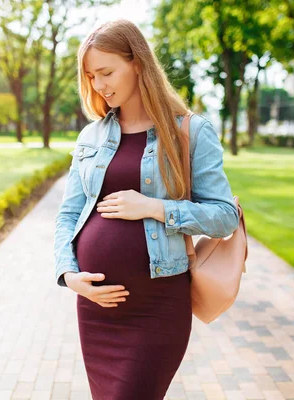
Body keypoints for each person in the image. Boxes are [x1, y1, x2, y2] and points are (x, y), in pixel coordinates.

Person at [53, 19, 239, 400]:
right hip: (96, 309)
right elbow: (68, 215)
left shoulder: (190, 131)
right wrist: (68, 274)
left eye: (106, 72)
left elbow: (224, 216)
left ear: (137, 63)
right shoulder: (91, 135)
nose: (99, 85)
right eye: (91, 76)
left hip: (156, 307)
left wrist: (155, 207)